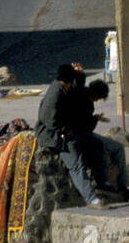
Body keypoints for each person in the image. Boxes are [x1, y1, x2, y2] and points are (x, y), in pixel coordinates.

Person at [35, 62, 104, 206]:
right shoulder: (54, 95)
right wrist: (66, 132)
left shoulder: (62, 87)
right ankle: (91, 199)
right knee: (76, 165)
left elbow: (76, 89)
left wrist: (79, 75)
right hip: (53, 136)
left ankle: (103, 184)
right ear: (69, 81)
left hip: (66, 130)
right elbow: (49, 121)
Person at [70, 78, 129, 200]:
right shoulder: (86, 102)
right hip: (81, 136)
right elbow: (85, 127)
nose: (98, 100)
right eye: (99, 97)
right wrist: (94, 120)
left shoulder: (82, 95)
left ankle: (117, 183)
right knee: (117, 148)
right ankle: (120, 184)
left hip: (82, 134)